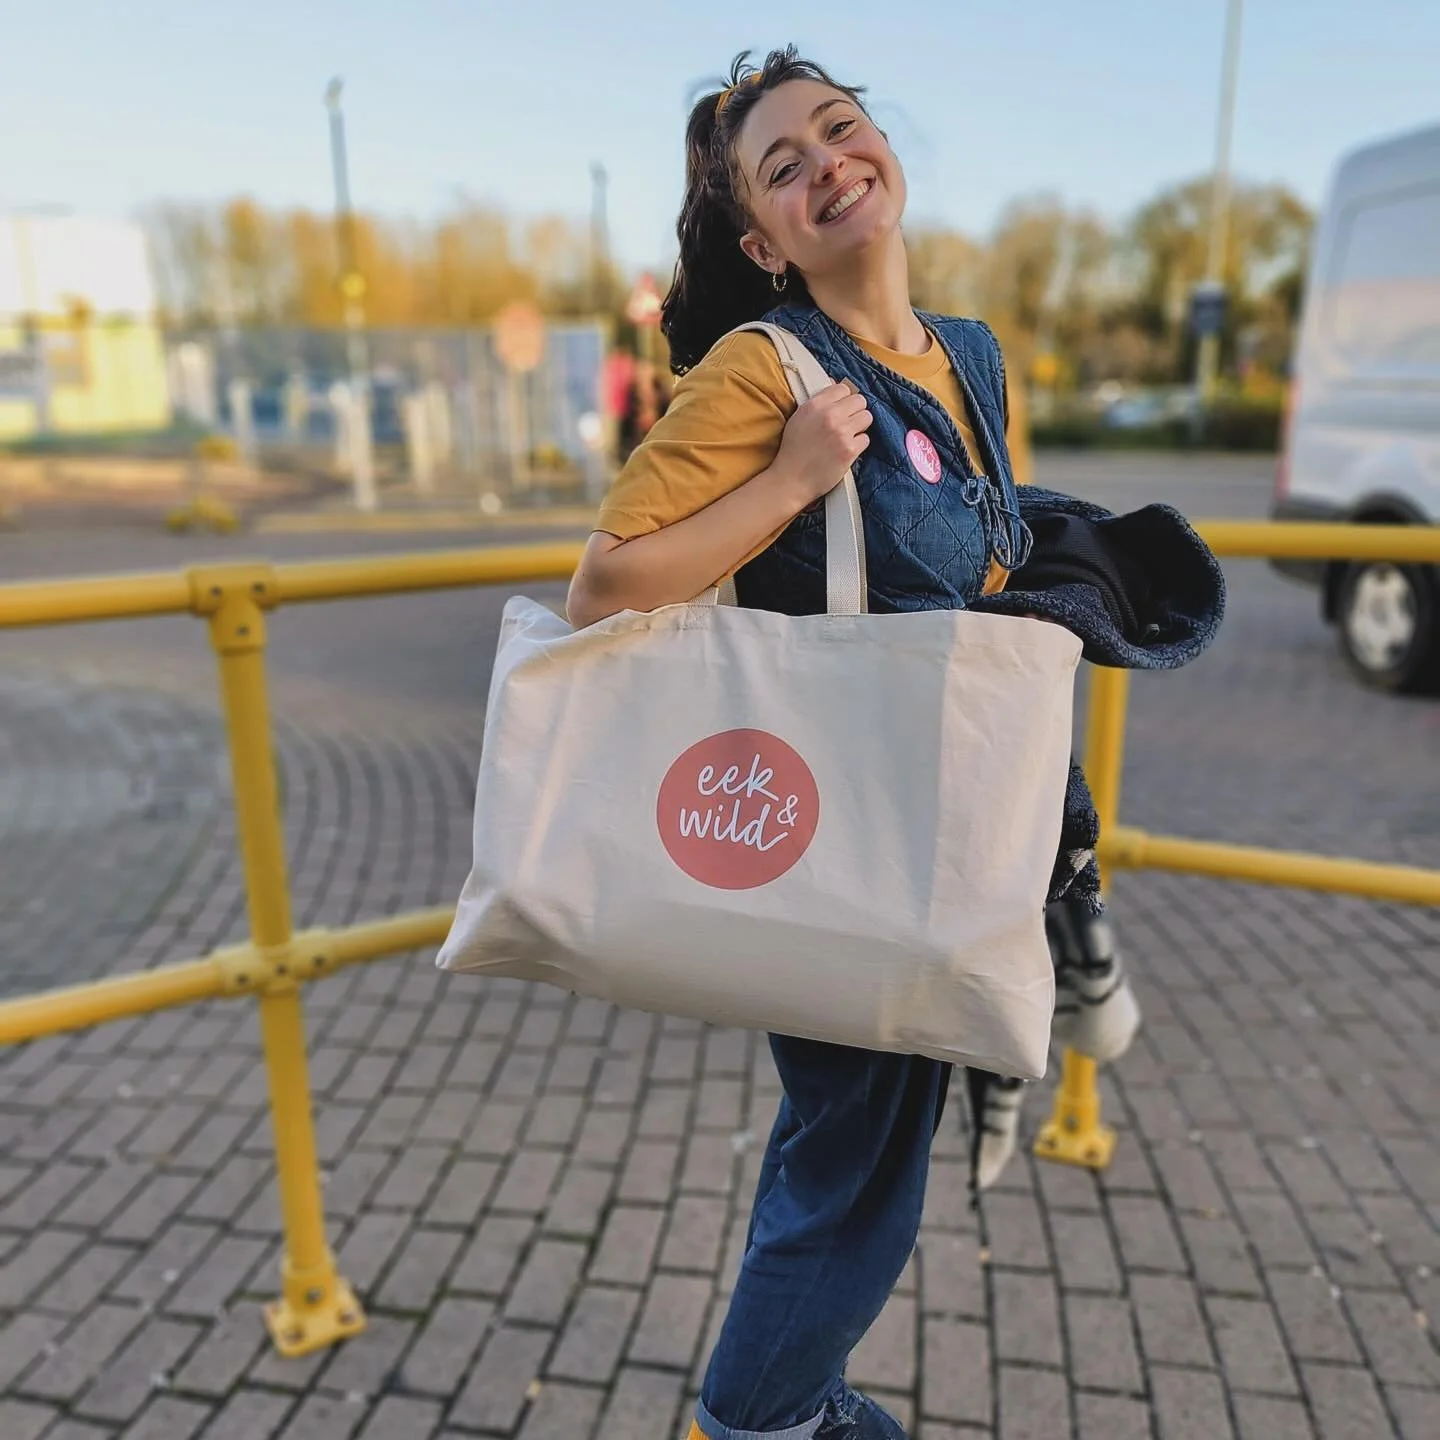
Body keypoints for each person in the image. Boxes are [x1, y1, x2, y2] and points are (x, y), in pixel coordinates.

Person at [566, 47, 1221, 1440]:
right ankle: (762, 1416)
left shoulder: (968, 355)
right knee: (855, 1166)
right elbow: (607, 581)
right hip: (830, 820)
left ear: (886, 152)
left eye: (839, 131)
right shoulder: (764, 367)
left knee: (850, 1150)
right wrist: (799, 476)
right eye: (784, 167)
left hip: (943, 819)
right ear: (762, 238)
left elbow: (970, 580)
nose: (826, 167)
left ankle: (784, 1393)